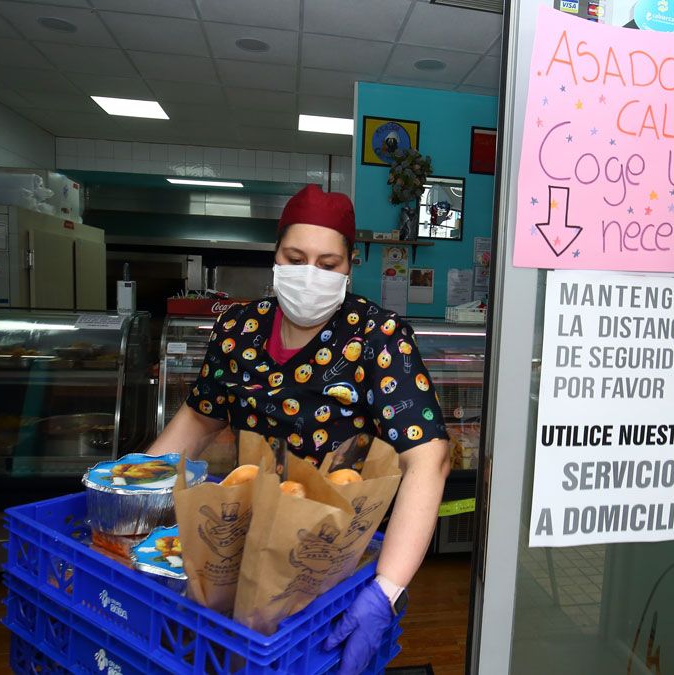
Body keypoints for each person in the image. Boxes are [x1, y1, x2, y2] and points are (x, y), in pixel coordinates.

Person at [148, 184, 451, 674]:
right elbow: (198, 420)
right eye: (296, 257)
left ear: (350, 266)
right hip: (233, 546)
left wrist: (386, 590)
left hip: (325, 568)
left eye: (328, 264)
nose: (310, 274)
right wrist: (133, 485)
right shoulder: (237, 330)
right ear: (275, 257)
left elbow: (429, 458)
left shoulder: (377, 337)